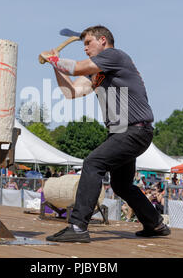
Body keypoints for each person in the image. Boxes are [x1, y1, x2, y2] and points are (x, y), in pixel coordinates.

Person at [42, 25, 169, 243]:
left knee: (93, 163)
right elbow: (71, 92)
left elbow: (78, 67)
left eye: (88, 43)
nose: (85, 48)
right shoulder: (97, 73)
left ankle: (78, 226)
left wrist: (54, 59)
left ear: (103, 40)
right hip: (124, 131)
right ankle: (154, 223)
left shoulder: (114, 56)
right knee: (121, 185)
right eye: (83, 44)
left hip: (134, 129)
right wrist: (56, 66)